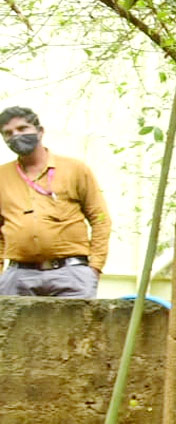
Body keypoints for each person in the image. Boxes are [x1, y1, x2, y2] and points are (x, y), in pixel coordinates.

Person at [0, 107, 110, 298]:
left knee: (76, 328)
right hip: (19, 276)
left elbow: (100, 218)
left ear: (40, 131)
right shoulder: (2, 176)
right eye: (8, 133)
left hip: (72, 274)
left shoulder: (75, 169)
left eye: (22, 128)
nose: (16, 136)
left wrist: (94, 268)